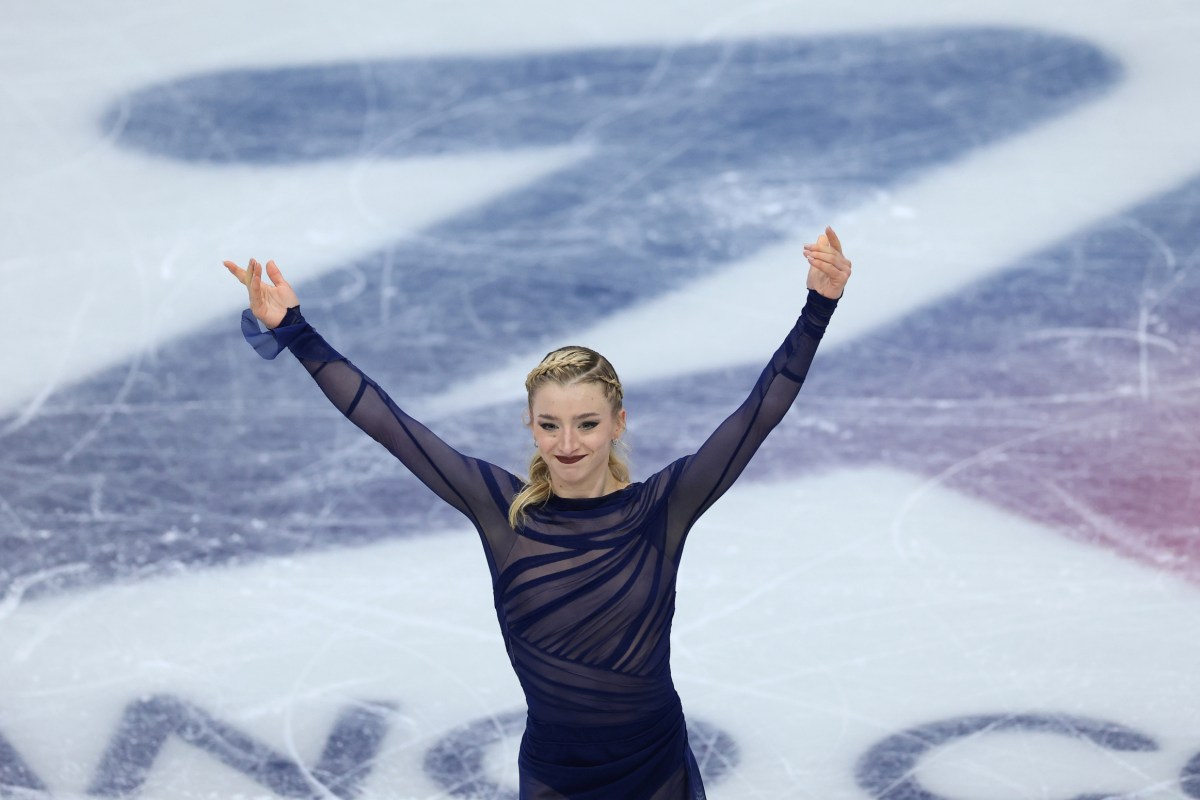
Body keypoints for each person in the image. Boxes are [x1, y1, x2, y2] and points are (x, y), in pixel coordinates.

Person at [223, 227, 851, 799]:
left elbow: (758, 413)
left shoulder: (663, 508)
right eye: (550, 425)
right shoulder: (501, 513)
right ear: (530, 425)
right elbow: (387, 423)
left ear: (617, 424)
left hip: (654, 768)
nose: (568, 443)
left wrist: (818, 307)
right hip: (555, 774)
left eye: (586, 424)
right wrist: (296, 330)